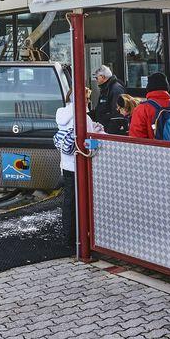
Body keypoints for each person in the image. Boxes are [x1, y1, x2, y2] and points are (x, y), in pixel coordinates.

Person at [54, 88, 104, 249]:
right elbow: (90, 144)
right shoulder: (84, 117)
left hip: (66, 165)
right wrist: (99, 136)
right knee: (83, 201)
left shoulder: (61, 114)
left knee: (69, 201)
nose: (89, 102)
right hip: (80, 165)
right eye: (87, 98)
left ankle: (68, 236)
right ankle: (82, 236)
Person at [90, 65, 127, 132]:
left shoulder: (116, 89)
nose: (96, 80)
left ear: (102, 77)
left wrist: (110, 131)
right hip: (103, 127)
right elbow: (101, 109)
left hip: (110, 130)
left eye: (97, 78)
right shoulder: (106, 89)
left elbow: (117, 113)